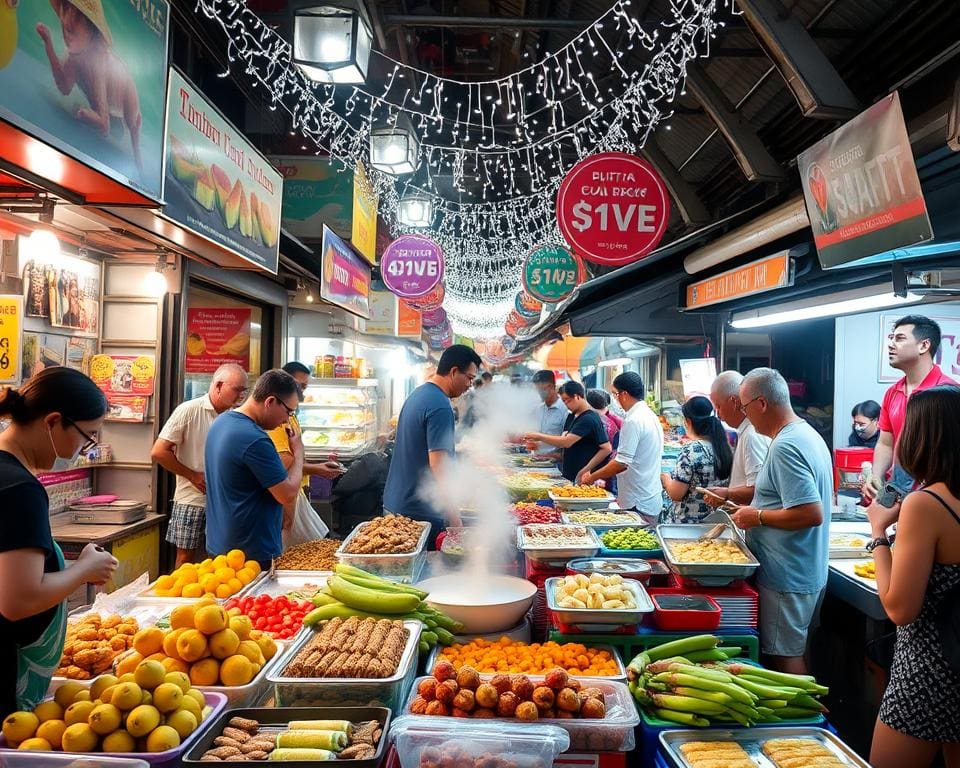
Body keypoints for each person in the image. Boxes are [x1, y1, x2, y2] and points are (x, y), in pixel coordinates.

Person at [0, 367, 118, 718]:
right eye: (88, 436)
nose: (84, 450)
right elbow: (18, 600)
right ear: (53, 422)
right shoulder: (19, 489)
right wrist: (84, 569)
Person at [866, 385, 960, 768]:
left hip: (929, 672)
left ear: (924, 436)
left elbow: (898, 606)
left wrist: (878, 534)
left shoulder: (926, 504)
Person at [729, 368, 833, 674]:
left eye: (744, 408)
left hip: (788, 575)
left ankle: (805, 721)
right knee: (795, 648)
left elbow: (811, 513)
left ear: (761, 404)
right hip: (804, 570)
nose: (745, 416)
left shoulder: (787, 445)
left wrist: (756, 516)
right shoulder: (806, 434)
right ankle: (811, 711)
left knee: (785, 657)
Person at [204, 369, 305, 569]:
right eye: (288, 411)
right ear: (270, 402)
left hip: (221, 543)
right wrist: (298, 451)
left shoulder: (222, 422)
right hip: (249, 553)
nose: (286, 420)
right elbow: (287, 493)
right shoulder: (254, 438)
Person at [151, 363, 249, 568]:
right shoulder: (189, 410)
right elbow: (159, 451)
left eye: (244, 391)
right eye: (237, 389)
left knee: (222, 560)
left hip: (225, 501)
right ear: (218, 385)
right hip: (192, 500)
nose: (240, 396)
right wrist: (192, 475)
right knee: (186, 557)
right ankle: (180, 599)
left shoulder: (237, 417)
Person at [383, 344, 482, 546]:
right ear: (454, 371)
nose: (470, 385)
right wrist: (455, 519)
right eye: (470, 378)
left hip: (396, 503)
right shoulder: (440, 405)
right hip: (418, 513)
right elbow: (440, 466)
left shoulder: (419, 394)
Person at [865, 316, 956, 500]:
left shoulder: (949, 395)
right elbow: (885, 443)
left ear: (924, 346)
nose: (890, 344)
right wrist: (876, 475)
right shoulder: (892, 392)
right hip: (897, 493)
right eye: (891, 338)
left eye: (899, 338)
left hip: (933, 498)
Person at [580, 372, 663, 522]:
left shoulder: (634, 420)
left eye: (615, 394)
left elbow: (621, 463)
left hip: (638, 500)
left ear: (624, 394)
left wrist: (592, 476)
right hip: (647, 495)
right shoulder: (649, 415)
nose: (615, 399)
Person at [661, 395, 734, 523]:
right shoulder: (725, 448)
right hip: (716, 522)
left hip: (687, 525)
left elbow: (676, 494)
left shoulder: (690, 450)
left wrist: (665, 478)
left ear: (688, 422)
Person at [704, 370, 771, 506]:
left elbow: (758, 490)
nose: (718, 414)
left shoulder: (752, 435)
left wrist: (727, 494)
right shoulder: (747, 431)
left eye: (718, 406)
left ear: (734, 402)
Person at [525, 381, 612, 484]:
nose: (566, 404)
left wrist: (586, 469)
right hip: (569, 474)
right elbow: (563, 439)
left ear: (577, 396)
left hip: (583, 478)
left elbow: (606, 448)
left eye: (567, 400)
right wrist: (540, 444)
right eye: (563, 401)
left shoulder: (588, 418)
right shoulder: (572, 415)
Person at [530, 370, 568, 460]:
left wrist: (553, 455)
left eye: (541, 390)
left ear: (551, 386)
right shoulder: (538, 409)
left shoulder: (565, 410)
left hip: (555, 463)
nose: (539, 394)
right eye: (537, 390)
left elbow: (568, 442)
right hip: (535, 460)